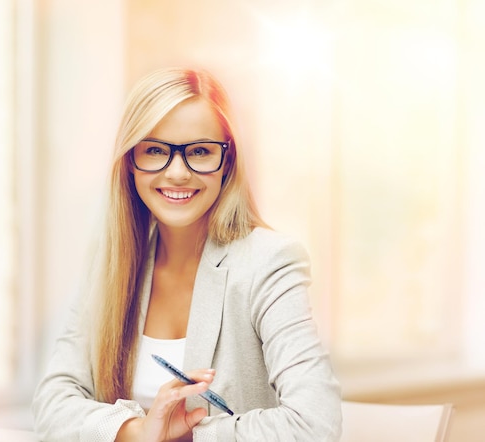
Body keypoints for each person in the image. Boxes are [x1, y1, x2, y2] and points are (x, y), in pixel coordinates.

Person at [32, 68, 342, 441]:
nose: (177, 172)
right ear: (130, 161)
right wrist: (138, 431)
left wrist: (189, 436)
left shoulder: (270, 263)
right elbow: (51, 406)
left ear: (227, 161)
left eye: (199, 151)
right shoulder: (111, 266)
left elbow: (315, 425)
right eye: (156, 151)